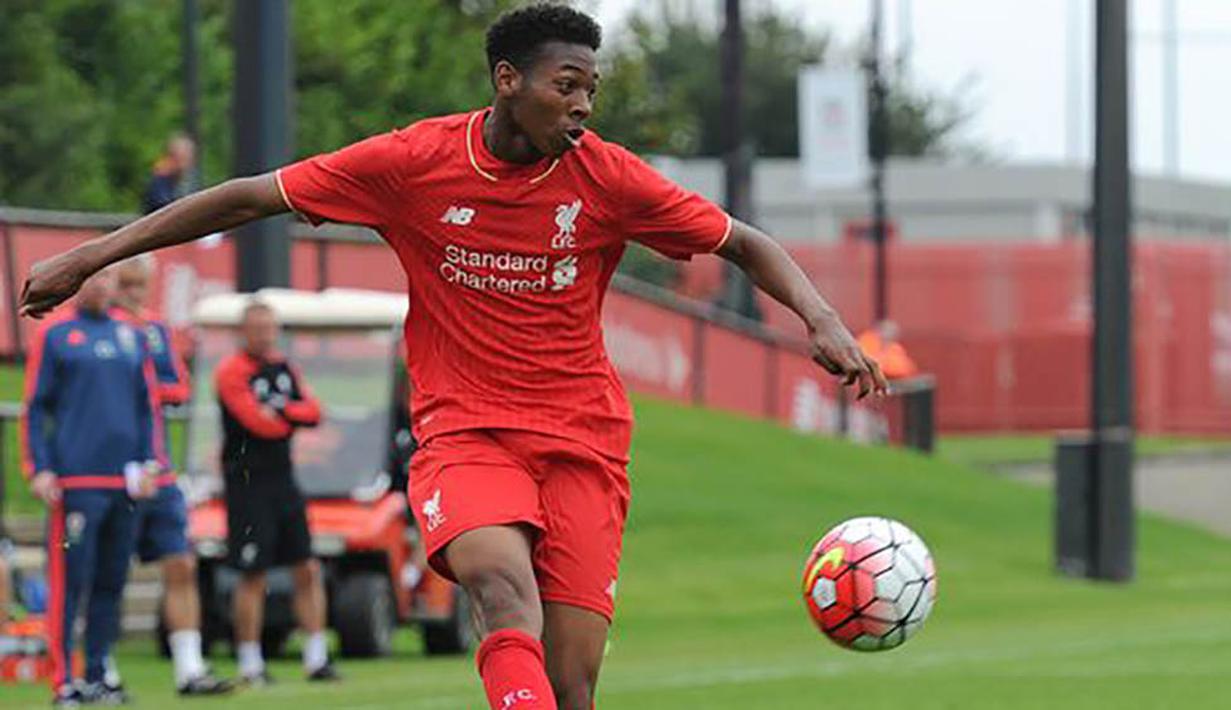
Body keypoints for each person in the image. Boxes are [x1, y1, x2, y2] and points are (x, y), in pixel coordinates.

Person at [17, 5, 888, 707]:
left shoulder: (607, 176)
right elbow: (251, 196)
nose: (583, 105)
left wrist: (821, 319)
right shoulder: (413, 162)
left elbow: (743, 242)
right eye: (567, 85)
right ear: (508, 82)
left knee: (571, 682)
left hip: (583, 442)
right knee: (500, 592)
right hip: (465, 435)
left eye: (592, 89)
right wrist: (94, 253)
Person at [22, 269, 156, 706]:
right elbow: (35, 406)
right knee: (70, 582)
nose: (99, 287)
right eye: (91, 280)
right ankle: (64, 681)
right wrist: (39, 467)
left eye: (106, 279)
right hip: (76, 482)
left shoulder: (130, 336)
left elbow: (145, 407)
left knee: (110, 582)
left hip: (123, 482)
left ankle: (98, 675)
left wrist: (148, 462)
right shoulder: (57, 335)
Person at [110, 255, 233, 695]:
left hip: (156, 468)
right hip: (108, 470)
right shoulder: (94, 332)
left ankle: (189, 667)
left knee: (180, 562)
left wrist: (145, 386)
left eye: (139, 285)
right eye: (125, 285)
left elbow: (178, 387)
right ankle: (101, 667)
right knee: (107, 571)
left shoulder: (155, 330)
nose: (132, 294)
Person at [214, 301, 336, 685]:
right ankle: (251, 663)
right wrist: (290, 415)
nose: (266, 335)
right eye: (258, 328)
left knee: (307, 567)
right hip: (248, 483)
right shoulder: (231, 371)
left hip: (284, 480)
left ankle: (316, 658)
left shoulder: (284, 367)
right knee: (253, 573)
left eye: (270, 328)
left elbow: (315, 411)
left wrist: (281, 412)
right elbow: (256, 423)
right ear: (243, 332)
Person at [142, 134, 196, 215]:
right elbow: (163, 207)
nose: (189, 161)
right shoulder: (160, 179)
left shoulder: (182, 181)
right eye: (184, 157)